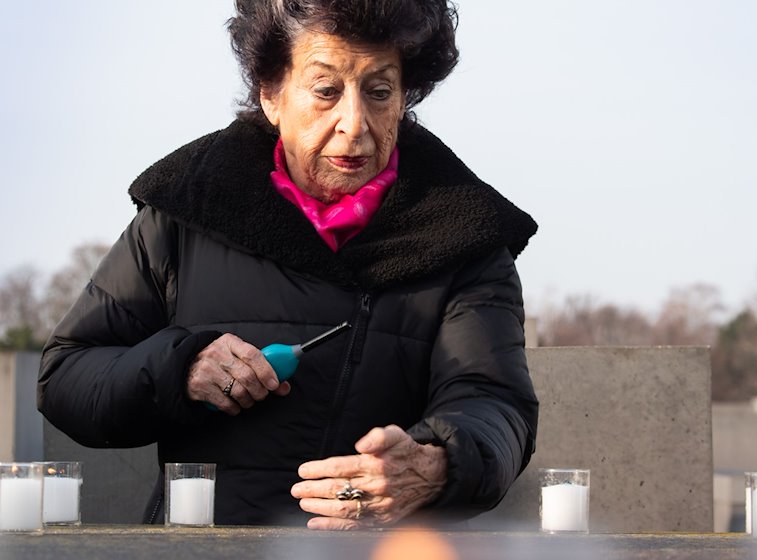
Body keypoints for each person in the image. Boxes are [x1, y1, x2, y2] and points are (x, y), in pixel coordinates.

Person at [37, 0, 538, 529]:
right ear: (271, 94)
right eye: (326, 91)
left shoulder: (466, 234)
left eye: (380, 92)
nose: (354, 124)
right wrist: (178, 367)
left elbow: (495, 404)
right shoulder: (185, 211)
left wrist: (438, 464)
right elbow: (67, 376)